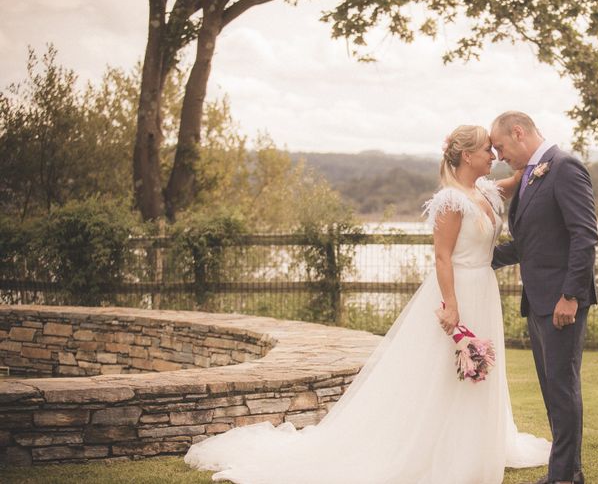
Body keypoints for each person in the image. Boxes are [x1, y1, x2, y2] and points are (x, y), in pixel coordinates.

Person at [184, 124, 550, 483]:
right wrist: (451, 307)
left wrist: (539, 164)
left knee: (479, 368)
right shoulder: (450, 201)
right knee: (444, 373)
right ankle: (439, 449)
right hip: (458, 292)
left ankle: (475, 444)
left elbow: (517, 179)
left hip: (484, 289)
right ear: (468, 155)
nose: (493, 155)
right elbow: (441, 258)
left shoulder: (484, 191)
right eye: (488, 149)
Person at [489, 111, 598, 484]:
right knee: (554, 391)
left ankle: (562, 478)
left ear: (518, 133)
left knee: (562, 389)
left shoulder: (565, 167)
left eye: (501, 147)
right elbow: (529, 244)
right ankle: (569, 472)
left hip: (561, 303)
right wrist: (475, 260)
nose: (500, 156)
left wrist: (570, 296)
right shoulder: (533, 175)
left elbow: (584, 236)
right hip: (538, 301)